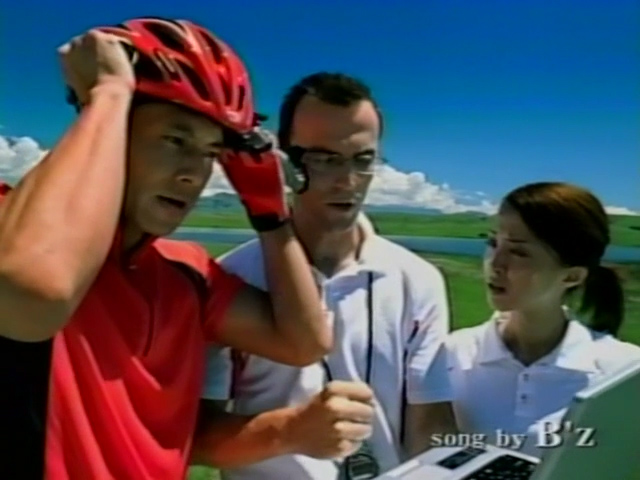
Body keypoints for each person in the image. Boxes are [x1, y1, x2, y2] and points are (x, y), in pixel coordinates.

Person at [0, 18, 332, 480]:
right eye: (175, 141)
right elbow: (37, 291)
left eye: (211, 153)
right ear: (112, 129)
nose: (193, 173)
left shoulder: (186, 273)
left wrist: (271, 216)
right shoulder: (14, 226)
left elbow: (304, 342)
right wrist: (108, 93)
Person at [192, 72, 458, 480]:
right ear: (284, 161)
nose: (347, 181)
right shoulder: (230, 279)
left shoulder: (418, 280)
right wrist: (289, 432)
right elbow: (199, 436)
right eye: (324, 159)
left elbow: (430, 423)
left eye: (363, 160)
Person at [446, 181, 640, 456]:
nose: (495, 263)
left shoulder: (624, 373)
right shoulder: (452, 354)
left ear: (572, 276)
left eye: (519, 252)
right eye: (493, 243)